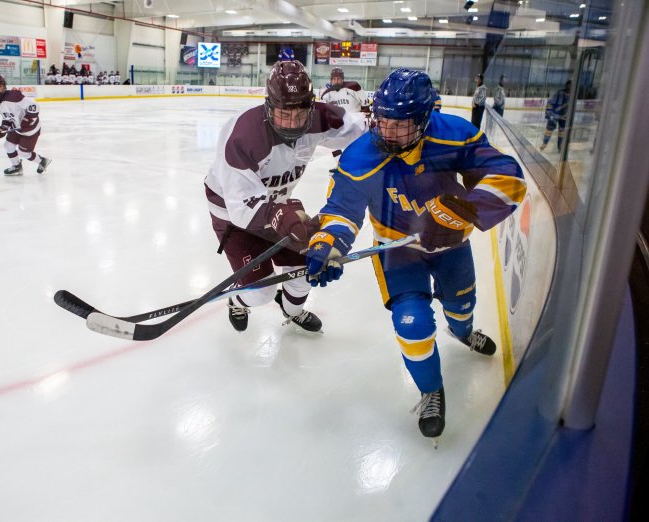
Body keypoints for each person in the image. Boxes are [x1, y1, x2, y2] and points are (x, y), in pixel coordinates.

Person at [305, 68, 526, 439]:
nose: (387, 132)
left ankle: (463, 330)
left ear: (424, 119)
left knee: (461, 307)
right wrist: (327, 244)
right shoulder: (361, 156)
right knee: (413, 323)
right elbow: (341, 209)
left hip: (452, 247)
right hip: (397, 251)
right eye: (383, 120)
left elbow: (509, 176)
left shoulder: (455, 135)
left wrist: (468, 207)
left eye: (399, 124)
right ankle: (430, 391)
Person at [204, 60, 367, 333]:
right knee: (260, 292)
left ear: (311, 107)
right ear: (269, 106)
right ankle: (237, 299)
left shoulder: (320, 117)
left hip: (278, 207)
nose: (293, 124)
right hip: (232, 213)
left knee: (303, 272)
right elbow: (241, 208)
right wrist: (279, 214)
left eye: (300, 114)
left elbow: (363, 129)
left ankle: (293, 311)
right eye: (284, 114)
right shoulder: (243, 136)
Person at [0, 73, 51, 176]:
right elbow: (7, 119)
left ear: (4, 86)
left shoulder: (14, 96)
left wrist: (29, 119)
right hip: (17, 129)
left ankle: (42, 161)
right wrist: (3, 128)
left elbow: (34, 105)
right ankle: (17, 167)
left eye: (0, 86)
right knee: (8, 146)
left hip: (30, 130)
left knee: (24, 153)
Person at [540, 80, 570, 152]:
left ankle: (560, 146)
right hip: (554, 115)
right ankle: (544, 144)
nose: (570, 87)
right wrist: (548, 113)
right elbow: (550, 102)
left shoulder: (572, 95)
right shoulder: (559, 93)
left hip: (564, 116)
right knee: (549, 130)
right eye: (569, 85)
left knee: (562, 132)